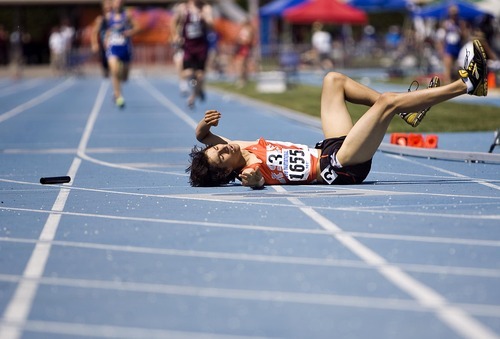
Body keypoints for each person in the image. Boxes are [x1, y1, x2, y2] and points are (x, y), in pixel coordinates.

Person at [187, 40, 488, 189]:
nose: (223, 148)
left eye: (217, 147)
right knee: (386, 103)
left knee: (333, 80)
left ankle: (412, 109)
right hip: (340, 167)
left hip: (328, 149)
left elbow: (202, 136)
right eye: (221, 156)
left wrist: (204, 126)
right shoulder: (245, 170)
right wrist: (252, 180)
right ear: (227, 172)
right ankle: (467, 84)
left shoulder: (237, 145)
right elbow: (255, 181)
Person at [171, 0, 214, 109]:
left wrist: (205, 17)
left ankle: (192, 98)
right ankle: (196, 87)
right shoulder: (183, 8)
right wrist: (175, 35)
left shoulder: (205, 8)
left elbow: (211, 26)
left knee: (200, 75)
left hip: (201, 47)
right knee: (189, 72)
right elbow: (173, 22)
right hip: (188, 46)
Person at [104, 0, 140, 108]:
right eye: (115, 1)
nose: (117, 3)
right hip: (113, 47)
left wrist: (129, 32)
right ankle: (118, 95)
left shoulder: (127, 15)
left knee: (124, 77)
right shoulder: (108, 16)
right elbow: (107, 31)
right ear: (113, 3)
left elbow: (137, 27)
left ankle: (116, 89)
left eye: (119, 1)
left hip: (124, 48)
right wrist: (105, 39)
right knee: (114, 70)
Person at [438, 5, 466, 84]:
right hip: (449, 47)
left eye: (455, 14)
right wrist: (441, 49)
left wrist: (460, 31)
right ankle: (447, 83)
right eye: (453, 14)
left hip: (458, 47)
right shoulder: (446, 23)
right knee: (448, 67)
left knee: (458, 67)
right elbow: (441, 37)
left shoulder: (460, 23)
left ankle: (457, 84)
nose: (454, 15)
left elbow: (464, 36)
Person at [91, 0, 112, 78]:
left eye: (110, 4)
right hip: (104, 46)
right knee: (106, 70)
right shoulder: (100, 19)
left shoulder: (117, 17)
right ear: (103, 7)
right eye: (106, 5)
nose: (108, 7)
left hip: (114, 45)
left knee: (115, 67)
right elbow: (94, 32)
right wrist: (94, 44)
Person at [233, 19, 254, 88]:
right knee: (240, 64)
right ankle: (242, 78)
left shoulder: (250, 29)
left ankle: (243, 79)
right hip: (241, 47)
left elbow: (249, 40)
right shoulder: (242, 29)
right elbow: (239, 38)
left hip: (245, 47)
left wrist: (243, 41)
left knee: (242, 64)